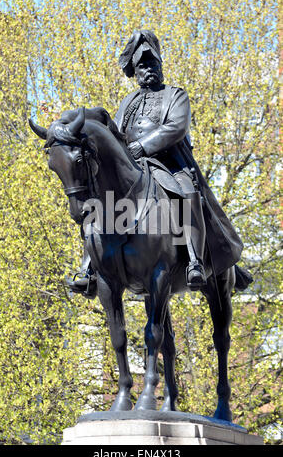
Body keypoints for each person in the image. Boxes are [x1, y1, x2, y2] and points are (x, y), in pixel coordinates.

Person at [68, 30, 243, 295]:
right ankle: (89, 268)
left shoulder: (175, 95)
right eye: (142, 65)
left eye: (152, 64)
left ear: (160, 66)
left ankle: (194, 261)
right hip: (134, 166)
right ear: (135, 72)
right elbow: (115, 133)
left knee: (187, 191)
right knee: (100, 201)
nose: (148, 69)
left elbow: (176, 127)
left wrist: (143, 146)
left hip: (169, 163)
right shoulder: (128, 101)